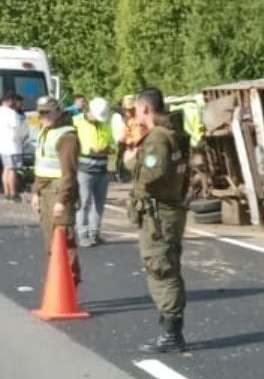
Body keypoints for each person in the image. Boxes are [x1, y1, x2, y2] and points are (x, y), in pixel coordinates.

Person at [125, 88, 190, 353]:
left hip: (159, 215)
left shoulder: (157, 139)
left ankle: (172, 333)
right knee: (164, 266)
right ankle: (169, 327)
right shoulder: (173, 135)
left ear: (146, 109)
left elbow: (152, 174)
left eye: (137, 110)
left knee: (161, 269)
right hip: (166, 211)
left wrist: (131, 161)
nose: (136, 115)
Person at [31, 96, 81, 284]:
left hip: (59, 190)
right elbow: (40, 166)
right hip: (45, 191)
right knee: (51, 242)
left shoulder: (66, 136)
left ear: (58, 112)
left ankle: (71, 286)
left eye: (47, 112)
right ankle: (58, 285)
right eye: (40, 112)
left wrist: (62, 200)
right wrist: (35, 192)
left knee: (64, 241)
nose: (42, 116)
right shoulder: (44, 132)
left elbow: (69, 172)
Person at [73, 97, 116, 247]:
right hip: (84, 170)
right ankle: (83, 234)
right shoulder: (77, 122)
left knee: (99, 203)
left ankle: (94, 233)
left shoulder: (105, 124)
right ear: (89, 111)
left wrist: (107, 149)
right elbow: (72, 145)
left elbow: (113, 144)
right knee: (83, 203)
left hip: (102, 169)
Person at [0, 92, 29, 202]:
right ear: (9, 101)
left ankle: (7, 193)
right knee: (13, 170)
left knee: (6, 169)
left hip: (3, 146)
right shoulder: (11, 113)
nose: (15, 103)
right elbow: (18, 130)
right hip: (13, 146)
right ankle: (14, 194)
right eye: (14, 101)